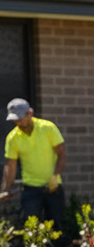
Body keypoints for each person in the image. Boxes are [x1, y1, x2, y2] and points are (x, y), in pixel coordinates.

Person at [2, 98, 66, 232]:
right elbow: (10, 166)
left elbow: (61, 154)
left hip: (53, 187)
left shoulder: (48, 128)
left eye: (20, 118)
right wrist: (6, 189)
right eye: (15, 120)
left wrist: (55, 176)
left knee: (56, 227)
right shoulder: (13, 138)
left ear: (30, 113)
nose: (18, 122)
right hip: (31, 189)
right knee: (31, 229)